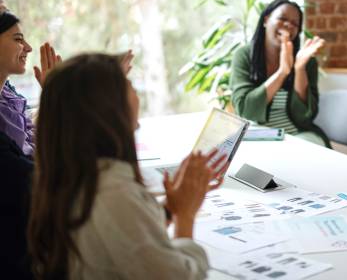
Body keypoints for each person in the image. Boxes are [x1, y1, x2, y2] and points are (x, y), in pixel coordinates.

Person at [28, 54, 226, 279]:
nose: (136, 91)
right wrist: (185, 216)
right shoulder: (113, 191)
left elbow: (119, 237)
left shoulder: (73, 174)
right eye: (128, 83)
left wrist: (170, 208)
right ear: (106, 107)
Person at [0, 0, 61, 280]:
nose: (27, 47)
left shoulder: (9, 95)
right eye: (17, 39)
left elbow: (33, 143)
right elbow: (33, 176)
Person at [230, 0, 328, 147]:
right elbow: (246, 111)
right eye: (282, 19)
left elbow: (305, 117)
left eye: (295, 24)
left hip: (299, 136)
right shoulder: (243, 56)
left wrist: (299, 69)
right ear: (266, 20)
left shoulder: (306, 61)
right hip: (259, 136)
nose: (289, 25)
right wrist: (282, 72)